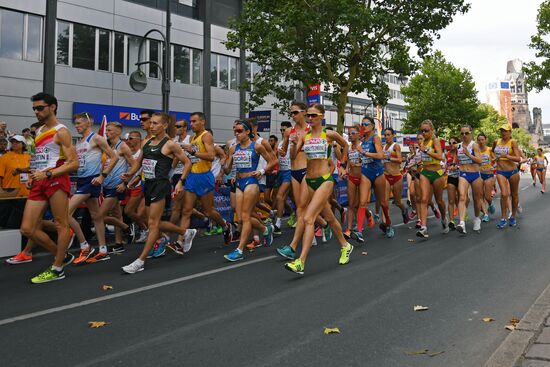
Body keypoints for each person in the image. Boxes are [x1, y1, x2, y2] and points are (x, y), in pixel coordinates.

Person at [284, 104, 353, 275]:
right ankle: (346, 245)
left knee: (308, 218)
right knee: (329, 217)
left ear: (322, 116)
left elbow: (345, 145)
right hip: (309, 181)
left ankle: (300, 262)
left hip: (324, 180)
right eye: (308, 116)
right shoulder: (305, 136)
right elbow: (293, 156)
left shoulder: (329, 134)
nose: (310, 118)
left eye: (314, 116)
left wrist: (343, 165)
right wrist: (292, 144)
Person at [121, 112, 192, 273]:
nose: (151, 126)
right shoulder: (147, 142)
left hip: (161, 185)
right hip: (148, 185)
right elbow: (140, 163)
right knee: (154, 222)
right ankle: (185, 232)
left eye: (155, 123)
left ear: (165, 125)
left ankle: (140, 261)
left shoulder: (170, 144)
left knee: (153, 224)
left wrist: (181, 182)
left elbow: (187, 163)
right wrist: (131, 176)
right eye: (151, 123)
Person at [21, 92, 79, 283]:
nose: (36, 111)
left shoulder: (61, 131)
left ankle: (57, 268)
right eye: (34, 108)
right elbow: (41, 158)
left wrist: (47, 174)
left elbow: (73, 164)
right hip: (39, 180)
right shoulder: (39, 131)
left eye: (40, 108)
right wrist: (33, 174)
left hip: (56, 179)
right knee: (27, 229)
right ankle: (62, 256)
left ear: (52, 107)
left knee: (61, 223)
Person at [69, 113, 119, 264]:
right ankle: (103, 249)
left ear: (88, 123)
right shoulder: (79, 142)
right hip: (82, 180)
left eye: (79, 123)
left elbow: (114, 157)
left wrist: (103, 176)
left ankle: (84, 246)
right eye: (75, 123)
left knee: (65, 212)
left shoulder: (96, 138)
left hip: (92, 182)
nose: (76, 126)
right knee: (96, 216)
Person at [223, 120, 276, 261]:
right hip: (239, 182)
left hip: (251, 182)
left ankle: (239, 250)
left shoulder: (256, 146)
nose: (236, 133)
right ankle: (266, 229)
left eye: (240, 131)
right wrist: (225, 163)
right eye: (235, 131)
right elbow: (228, 169)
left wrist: (262, 171)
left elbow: (273, 161)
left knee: (246, 216)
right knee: (240, 218)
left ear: (248, 132)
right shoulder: (234, 148)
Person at [178, 112, 233, 246]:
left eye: (194, 121)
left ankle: (226, 226)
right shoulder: (192, 138)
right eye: (190, 122)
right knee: (186, 210)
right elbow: (192, 160)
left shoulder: (206, 136)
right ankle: (180, 242)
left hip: (204, 177)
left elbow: (210, 155)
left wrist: (192, 151)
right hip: (192, 176)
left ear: (202, 122)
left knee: (208, 211)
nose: (192, 124)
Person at [97, 122, 137, 254]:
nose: (107, 132)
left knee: (99, 216)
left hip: (117, 186)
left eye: (109, 130)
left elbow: (135, 166)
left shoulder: (123, 146)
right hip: (106, 185)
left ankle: (126, 227)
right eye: (106, 130)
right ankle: (119, 243)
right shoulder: (108, 146)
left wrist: (125, 183)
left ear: (118, 132)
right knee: (116, 215)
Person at [357, 116, 393, 238]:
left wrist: (363, 153)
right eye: (362, 124)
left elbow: (380, 155)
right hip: (365, 172)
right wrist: (359, 158)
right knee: (362, 202)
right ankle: (359, 231)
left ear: (372, 126)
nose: (364, 126)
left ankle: (388, 223)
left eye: (366, 124)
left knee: (383, 202)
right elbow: (363, 157)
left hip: (378, 173)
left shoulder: (375, 138)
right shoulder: (363, 140)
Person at [416, 120, 448, 238]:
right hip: (425, 172)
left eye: (426, 130)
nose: (424, 133)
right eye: (422, 130)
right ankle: (424, 228)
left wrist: (426, 150)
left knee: (439, 200)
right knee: (423, 199)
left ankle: (444, 219)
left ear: (432, 131)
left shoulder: (435, 141)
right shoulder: (422, 142)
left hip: (436, 173)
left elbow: (440, 156)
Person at [455, 125, 483, 234]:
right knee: (462, 197)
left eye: (466, 133)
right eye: (462, 133)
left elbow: (480, 161)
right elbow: (456, 158)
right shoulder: (458, 146)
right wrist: (453, 164)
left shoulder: (474, 145)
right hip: (463, 173)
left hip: (475, 174)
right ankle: (462, 223)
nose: (464, 136)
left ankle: (477, 218)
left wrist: (468, 155)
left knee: (477, 199)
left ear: (471, 133)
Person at [493, 124, 522, 228]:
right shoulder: (496, 142)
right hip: (500, 171)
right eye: (501, 131)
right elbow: (493, 152)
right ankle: (503, 218)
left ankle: (513, 216)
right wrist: (495, 159)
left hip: (512, 171)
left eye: (505, 131)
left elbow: (518, 158)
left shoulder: (513, 142)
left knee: (514, 195)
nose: (503, 133)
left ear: (510, 132)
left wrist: (507, 156)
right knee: (504, 194)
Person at [382, 127, 409, 224]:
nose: (386, 137)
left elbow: (399, 160)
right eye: (385, 135)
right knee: (384, 202)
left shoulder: (395, 146)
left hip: (397, 176)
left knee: (398, 202)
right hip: (386, 176)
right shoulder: (383, 147)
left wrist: (388, 158)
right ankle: (386, 224)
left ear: (393, 135)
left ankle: (404, 209)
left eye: (388, 135)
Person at [344, 124, 363, 241]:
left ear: (359, 134)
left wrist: (358, 164)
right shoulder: (348, 148)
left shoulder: (362, 146)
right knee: (351, 204)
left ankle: (367, 215)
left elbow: (367, 161)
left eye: (353, 133)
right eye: (349, 133)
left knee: (360, 203)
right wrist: (346, 170)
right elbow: (348, 161)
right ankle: (349, 228)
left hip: (362, 178)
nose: (350, 135)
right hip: (351, 177)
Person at [273, 121, 293, 235]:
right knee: (290, 197)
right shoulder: (280, 143)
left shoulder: (293, 142)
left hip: (290, 172)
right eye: (281, 130)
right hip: (281, 172)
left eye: (284, 130)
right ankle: (294, 212)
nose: (282, 132)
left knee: (280, 196)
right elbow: (276, 158)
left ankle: (278, 224)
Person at [477, 133, 496, 222]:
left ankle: (490, 203)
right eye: (479, 140)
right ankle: (485, 214)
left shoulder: (489, 150)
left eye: (482, 140)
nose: (481, 142)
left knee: (487, 196)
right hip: (479, 174)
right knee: (480, 196)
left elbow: (496, 160)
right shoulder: (475, 150)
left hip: (488, 174)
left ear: (485, 140)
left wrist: (494, 166)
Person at [445, 137, 460, 229]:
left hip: (461, 177)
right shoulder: (447, 154)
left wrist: (457, 167)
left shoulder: (461, 153)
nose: (451, 144)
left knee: (461, 198)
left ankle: (462, 214)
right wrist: (445, 168)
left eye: (454, 142)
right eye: (450, 143)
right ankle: (451, 221)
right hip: (451, 177)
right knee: (451, 200)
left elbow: (466, 165)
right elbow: (445, 165)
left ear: (458, 143)